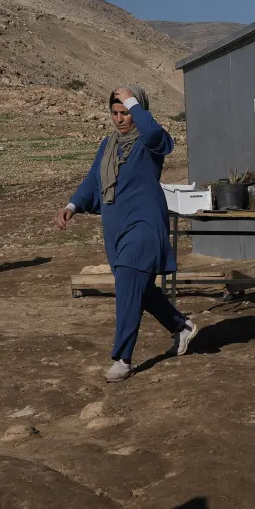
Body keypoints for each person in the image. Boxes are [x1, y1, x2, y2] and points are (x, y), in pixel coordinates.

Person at [56, 86, 195, 382]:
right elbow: (93, 182)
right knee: (139, 290)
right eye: (115, 113)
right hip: (116, 231)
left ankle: (123, 357)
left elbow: (153, 131)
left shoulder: (149, 144)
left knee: (128, 287)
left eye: (126, 113)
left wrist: (133, 102)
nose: (120, 119)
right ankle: (181, 326)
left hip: (144, 227)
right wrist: (72, 205)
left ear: (137, 112)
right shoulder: (108, 145)